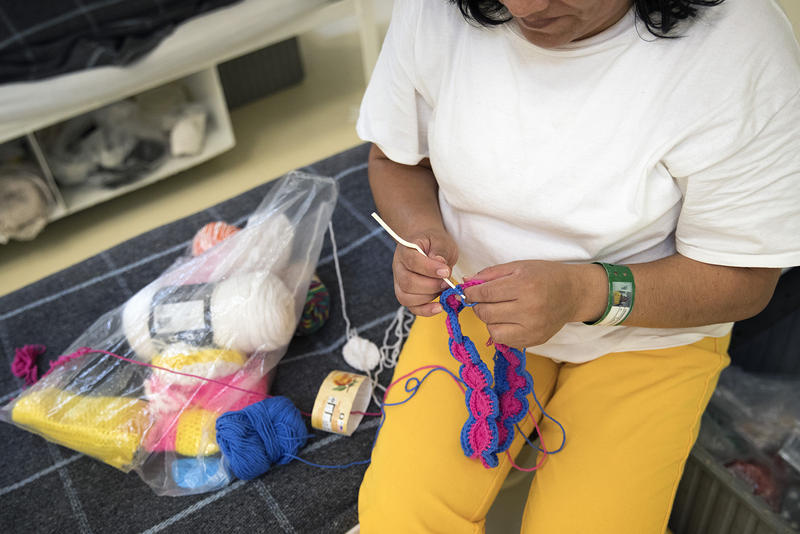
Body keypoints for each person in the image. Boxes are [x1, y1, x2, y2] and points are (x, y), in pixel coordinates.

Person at [355, 0, 800, 532]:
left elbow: (742, 281)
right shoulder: (434, 11)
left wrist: (582, 293)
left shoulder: (740, 45)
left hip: (652, 331)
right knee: (397, 519)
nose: (524, 7)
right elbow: (396, 160)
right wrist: (419, 231)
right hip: (477, 304)